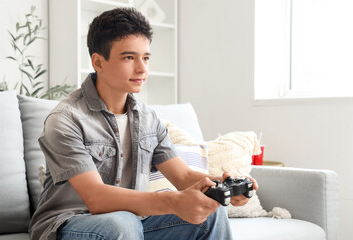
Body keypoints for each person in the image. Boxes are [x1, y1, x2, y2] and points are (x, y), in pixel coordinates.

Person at [29, 7, 258, 240]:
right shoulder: (65, 120)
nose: (142, 68)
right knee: (122, 223)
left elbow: (183, 177)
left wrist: (224, 186)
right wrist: (173, 202)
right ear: (98, 62)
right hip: (69, 224)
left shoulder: (149, 119)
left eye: (146, 58)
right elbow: (96, 198)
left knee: (210, 217)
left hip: (130, 223)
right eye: (129, 57)